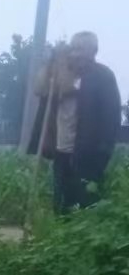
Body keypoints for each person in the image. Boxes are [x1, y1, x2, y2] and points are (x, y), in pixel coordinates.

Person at [28, 31, 122, 214]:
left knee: (86, 204)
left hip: (88, 154)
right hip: (61, 152)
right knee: (61, 204)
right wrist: (51, 64)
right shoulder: (62, 75)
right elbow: (41, 91)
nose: (75, 54)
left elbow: (111, 117)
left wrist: (103, 151)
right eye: (73, 49)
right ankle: (60, 238)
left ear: (93, 51)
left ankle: (82, 241)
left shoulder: (102, 76)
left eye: (80, 49)